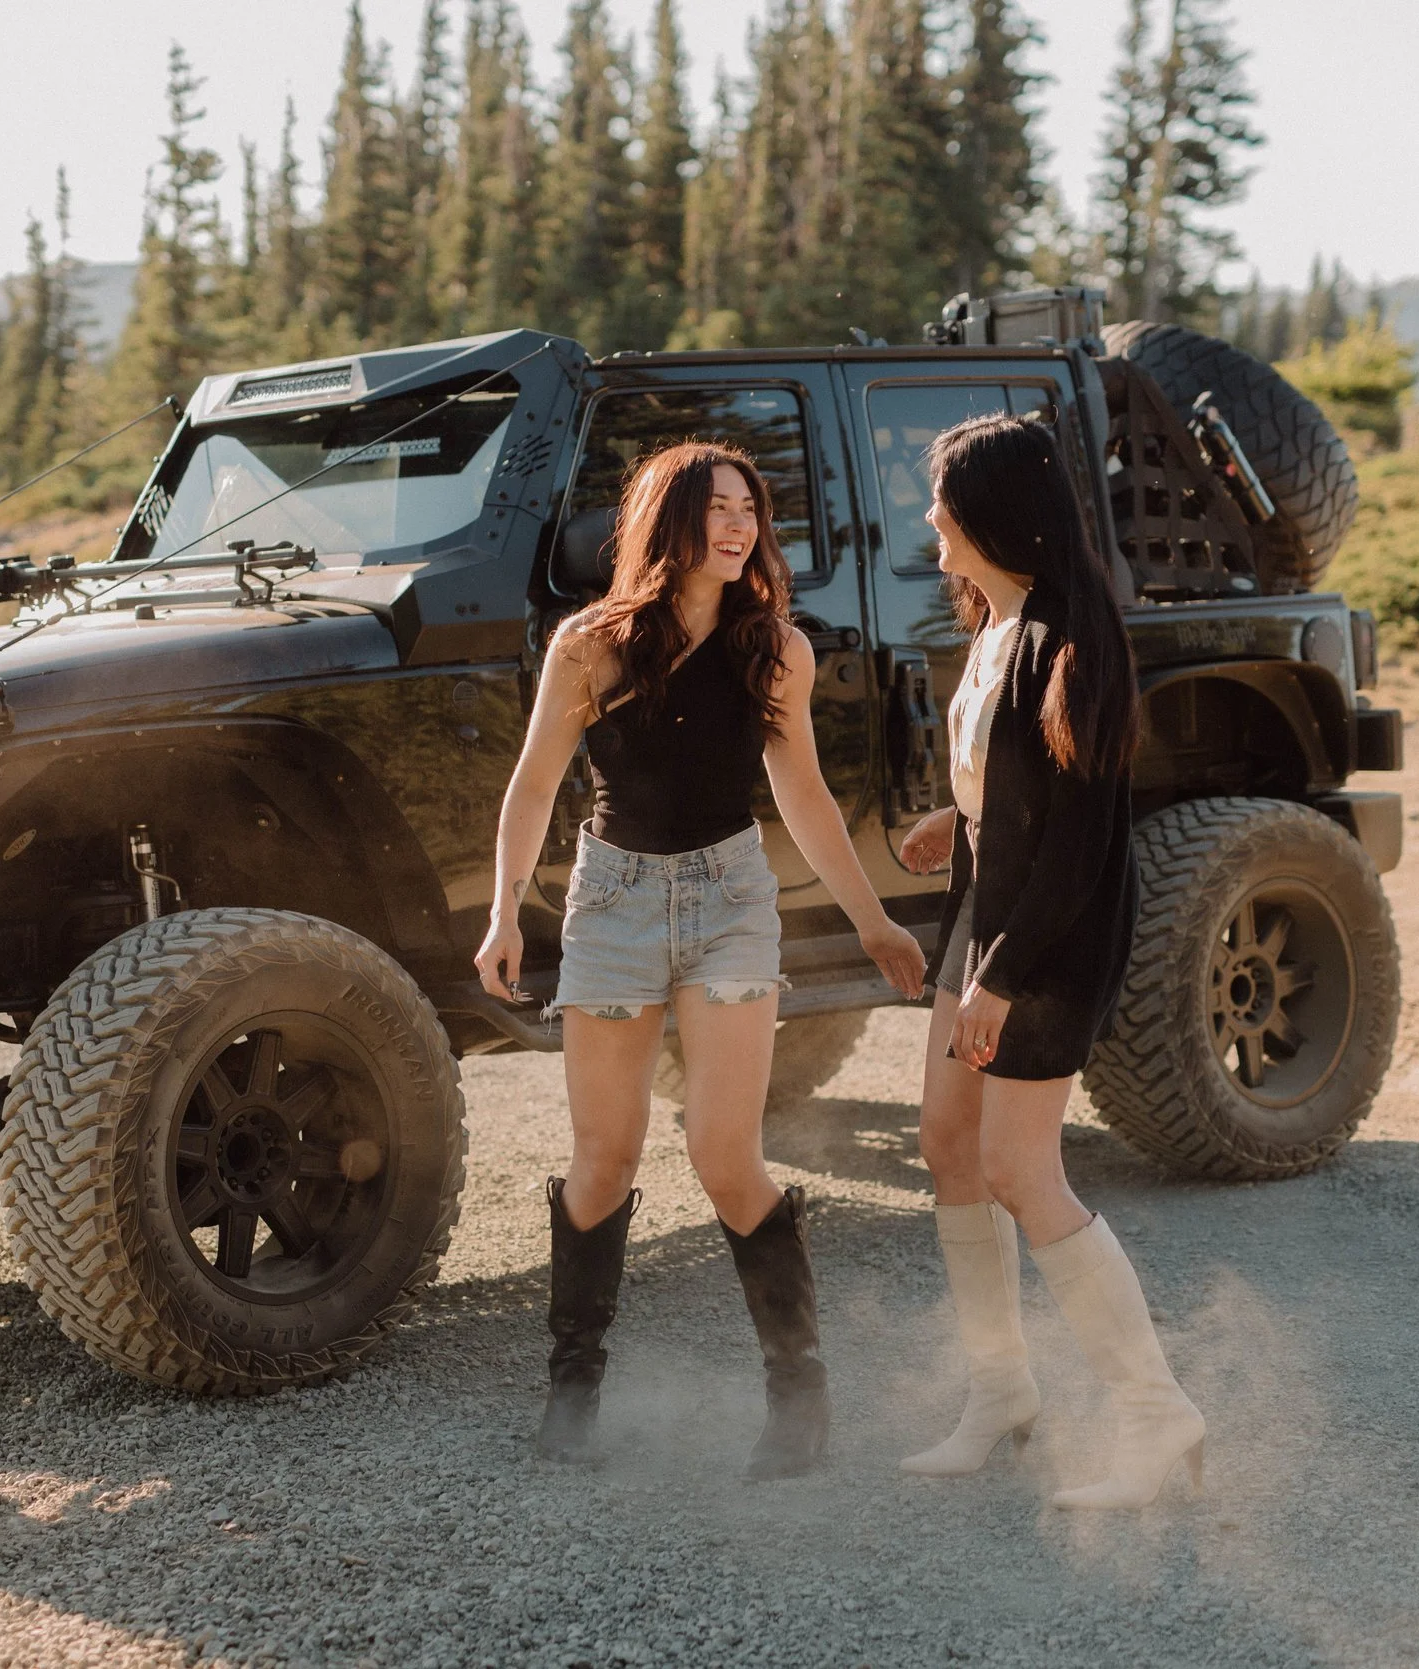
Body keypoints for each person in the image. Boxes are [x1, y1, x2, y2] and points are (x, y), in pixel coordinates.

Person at [476, 440, 925, 1478]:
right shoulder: (589, 646)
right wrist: (504, 914)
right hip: (613, 905)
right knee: (606, 1157)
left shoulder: (775, 649)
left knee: (726, 1157)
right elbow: (534, 783)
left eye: (749, 510)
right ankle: (572, 1393)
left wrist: (871, 920)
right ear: (666, 523)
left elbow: (803, 796)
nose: (738, 527)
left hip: (729, 903)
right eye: (716, 508)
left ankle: (797, 1398)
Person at [893, 410, 1205, 1509]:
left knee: (1022, 1171)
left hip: (1046, 939)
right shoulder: (995, 625)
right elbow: (1019, 786)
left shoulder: (1066, 640)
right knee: (946, 1142)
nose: (927, 513)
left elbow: (1078, 843)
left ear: (989, 514)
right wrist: (955, 814)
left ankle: (1156, 1416)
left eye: (942, 498)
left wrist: (1000, 980)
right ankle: (1000, 1393)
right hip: (985, 917)